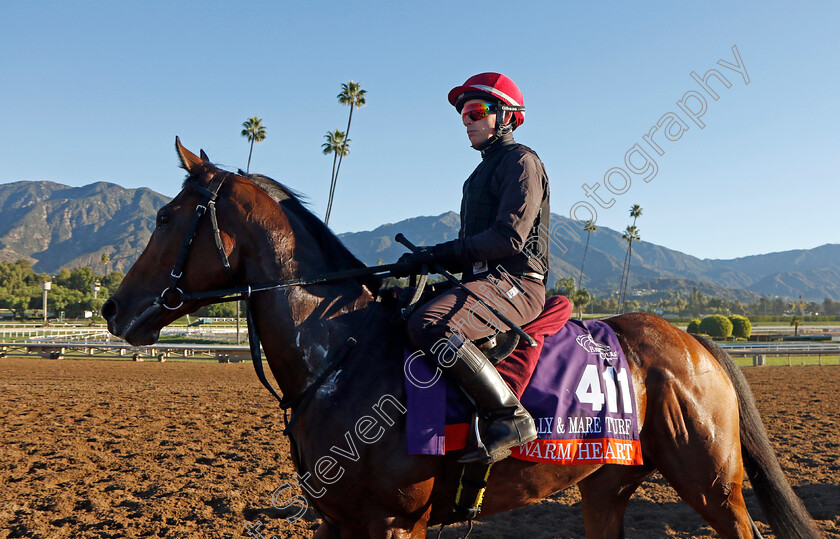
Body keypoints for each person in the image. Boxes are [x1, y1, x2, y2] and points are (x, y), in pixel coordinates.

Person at [399, 72, 550, 464]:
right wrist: (425, 260)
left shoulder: (523, 162)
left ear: (506, 116)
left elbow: (508, 239)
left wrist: (439, 253)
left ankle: (509, 416)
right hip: (484, 282)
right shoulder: (477, 175)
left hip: (518, 283)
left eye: (477, 112)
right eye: (464, 115)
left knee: (430, 325)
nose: (468, 122)